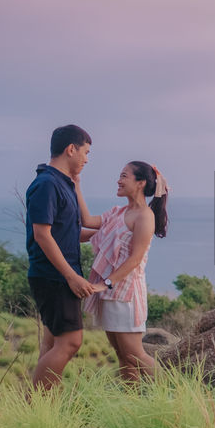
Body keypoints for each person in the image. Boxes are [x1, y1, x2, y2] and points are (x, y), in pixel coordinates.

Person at [79, 161, 169, 382]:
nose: (118, 181)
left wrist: (106, 282)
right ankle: (131, 402)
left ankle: (176, 394)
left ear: (140, 183)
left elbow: (135, 258)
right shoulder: (118, 212)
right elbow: (87, 221)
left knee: (134, 354)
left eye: (124, 176)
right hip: (111, 294)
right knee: (122, 355)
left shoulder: (145, 216)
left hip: (127, 295)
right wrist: (76, 184)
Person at [26, 124, 99, 390]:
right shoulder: (47, 184)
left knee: (54, 341)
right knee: (70, 342)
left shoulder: (62, 183)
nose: (87, 159)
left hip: (57, 275)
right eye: (86, 152)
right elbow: (42, 234)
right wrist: (72, 277)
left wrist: (107, 233)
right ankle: (35, 404)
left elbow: (65, 231)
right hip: (54, 276)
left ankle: (42, 407)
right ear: (71, 149)